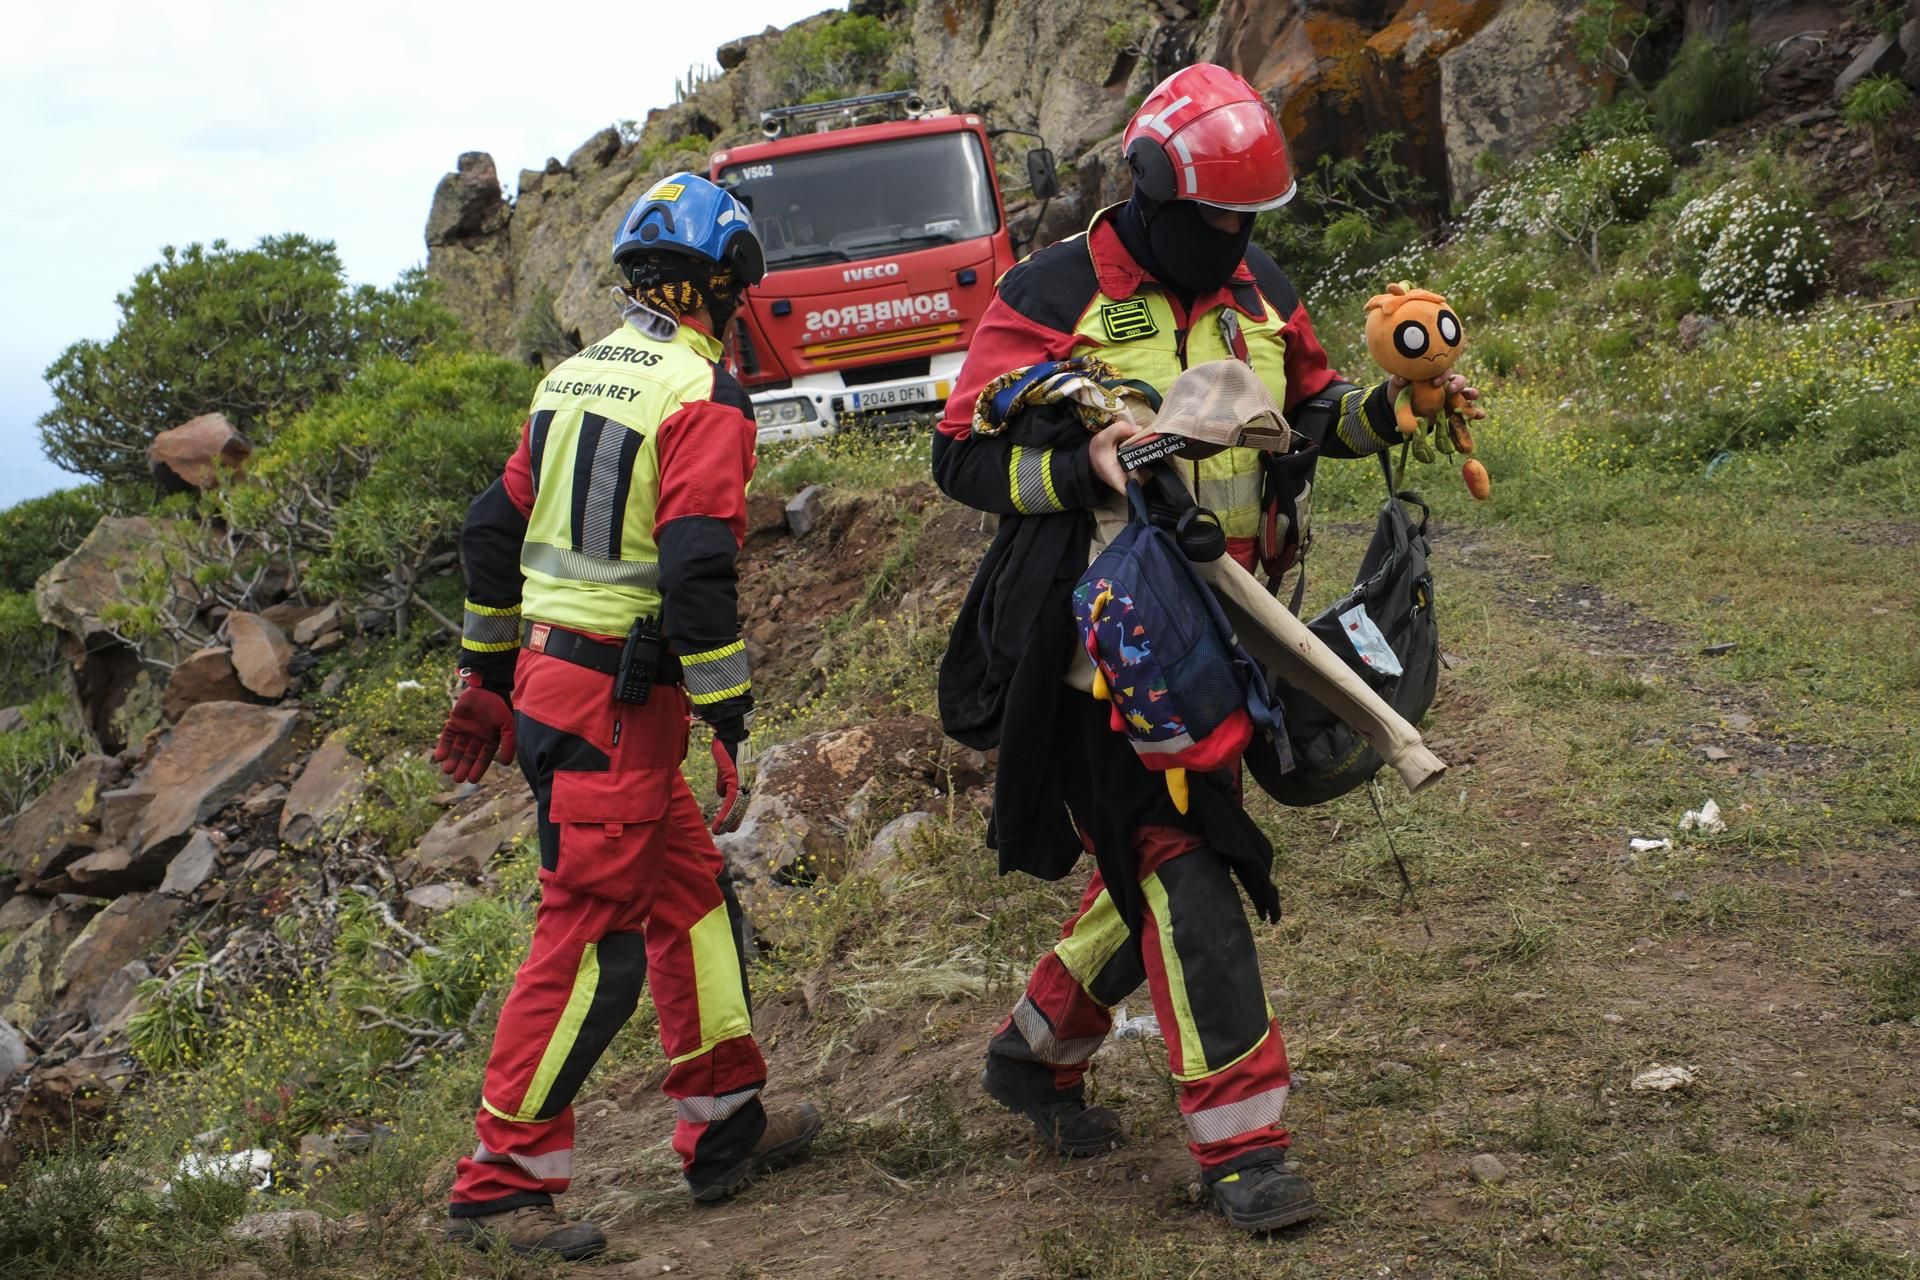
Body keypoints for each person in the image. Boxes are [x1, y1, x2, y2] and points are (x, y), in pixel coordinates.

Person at [931, 65, 1479, 1234]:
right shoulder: (1051, 289)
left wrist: (1398, 409)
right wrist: (1079, 468)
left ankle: (1034, 1049)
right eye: (1217, 218)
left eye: (1248, 222)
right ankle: (1246, 1147)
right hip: (1096, 650)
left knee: (1159, 866)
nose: (1234, 240)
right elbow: (960, 453)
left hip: (1229, 635)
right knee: (1186, 859)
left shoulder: (1262, 287)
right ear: (1152, 194)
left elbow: (1318, 411)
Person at [432, 172, 821, 1260]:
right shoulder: (701, 391)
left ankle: (726, 1125)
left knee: (692, 897)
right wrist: (730, 712)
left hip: (555, 693)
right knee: (593, 939)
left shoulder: (568, 380)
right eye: (738, 289)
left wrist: (484, 669)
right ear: (715, 288)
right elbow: (698, 568)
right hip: (617, 706)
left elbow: (486, 530)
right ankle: (499, 1182)